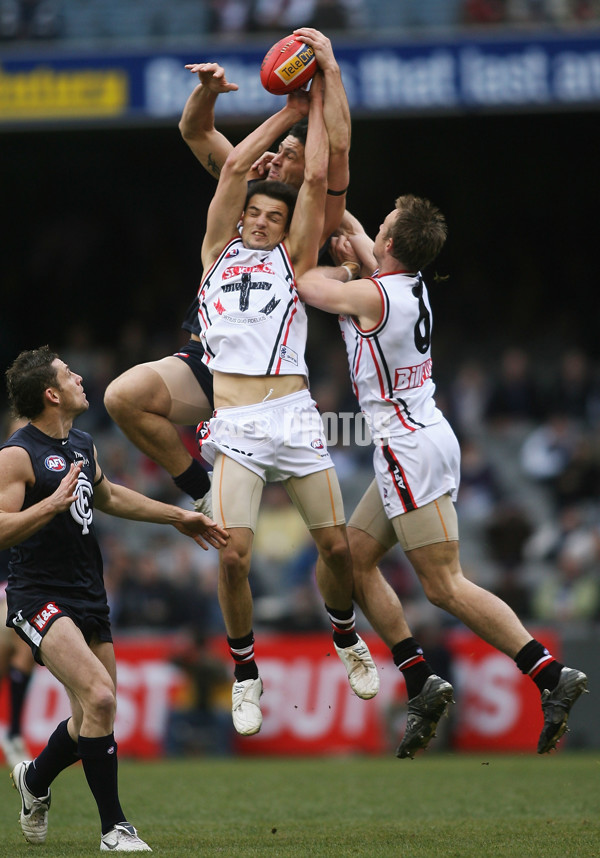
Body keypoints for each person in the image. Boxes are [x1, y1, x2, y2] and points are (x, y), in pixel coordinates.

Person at [296, 194, 589, 756]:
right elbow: (354, 230)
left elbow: (309, 284)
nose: (372, 228)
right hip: (420, 435)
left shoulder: (373, 293)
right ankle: (418, 680)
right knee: (351, 559)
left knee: (443, 585)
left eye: (381, 226)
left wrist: (332, 254)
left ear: (388, 245)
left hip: (408, 445)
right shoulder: (403, 283)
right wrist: (333, 210)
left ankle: (550, 676)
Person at [194, 70, 378, 738]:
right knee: (233, 556)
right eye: (258, 213)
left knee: (336, 551)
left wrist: (320, 102)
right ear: (241, 215)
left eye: (276, 216)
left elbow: (320, 172)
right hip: (237, 422)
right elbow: (237, 163)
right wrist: (287, 110)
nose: (267, 222)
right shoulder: (217, 252)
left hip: (295, 418)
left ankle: (345, 634)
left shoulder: (294, 259)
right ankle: (246, 674)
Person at [103, 28, 350, 516]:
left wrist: (329, 79)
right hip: (209, 355)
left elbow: (335, 154)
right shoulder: (249, 182)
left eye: (291, 156)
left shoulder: (319, 212)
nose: (277, 158)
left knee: (326, 545)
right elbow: (195, 131)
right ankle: (201, 488)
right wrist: (208, 93)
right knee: (123, 398)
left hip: (267, 374)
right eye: (279, 149)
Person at [0, 346, 228, 851]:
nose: (82, 377)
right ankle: (115, 829)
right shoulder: (17, 454)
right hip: (38, 594)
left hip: (88, 594)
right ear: (51, 393)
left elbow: (109, 496)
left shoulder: (82, 443)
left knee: (90, 720)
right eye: (69, 373)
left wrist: (179, 516)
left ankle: (34, 780)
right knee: (100, 696)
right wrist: (52, 505)